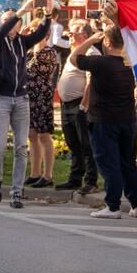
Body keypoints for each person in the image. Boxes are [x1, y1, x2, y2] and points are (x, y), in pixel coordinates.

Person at [0, 0, 53, 206]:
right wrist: (21, 11)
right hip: (0, 99)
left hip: (21, 98)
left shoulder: (22, 42)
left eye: (13, 21)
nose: (9, 23)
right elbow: (0, 32)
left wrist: (47, 15)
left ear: (20, 25)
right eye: (5, 20)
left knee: (21, 147)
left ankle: (16, 191)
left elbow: (40, 34)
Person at [71, 17, 137, 220]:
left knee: (109, 163)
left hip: (104, 120)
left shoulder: (101, 63)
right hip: (128, 120)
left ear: (107, 42)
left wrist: (90, 40)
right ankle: (136, 203)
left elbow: (74, 58)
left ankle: (112, 206)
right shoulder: (129, 63)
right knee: (128, 162)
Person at [55, 19, 99, 193]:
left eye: (73, 33)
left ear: (85, 35)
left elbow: (91, 82)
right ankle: (75, 178)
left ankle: (91, 181)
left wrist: (83, 106)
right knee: (73, 143)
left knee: (86, 144)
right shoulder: (75, 51)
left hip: (80, 104)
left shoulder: (90, 52)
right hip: (67, 104)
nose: (69, 36)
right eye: (69, 33)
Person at [23, 37, 61, 188]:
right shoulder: (28, 52)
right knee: (32, 135)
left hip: (42, 98)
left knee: (44, 135)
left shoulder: (48, 52)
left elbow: (39, 67)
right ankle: (35, 173)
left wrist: (36, 44)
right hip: (29, 98)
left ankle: (48, 175)